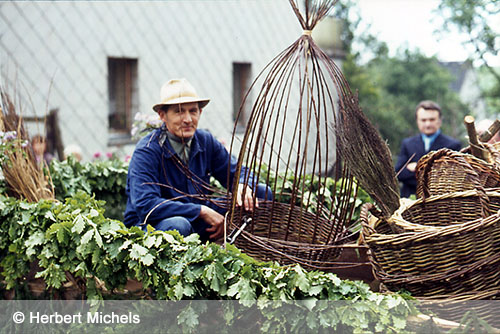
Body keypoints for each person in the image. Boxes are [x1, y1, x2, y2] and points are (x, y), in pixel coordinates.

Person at [124, 78, 271, 242]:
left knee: (261, 193)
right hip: (152, 226)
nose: (188, 119)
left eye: (193, 111)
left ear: (200, 112)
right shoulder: (148, 150)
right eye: (179, 111)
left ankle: (249, 249)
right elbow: (146, 205)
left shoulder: (204, 140)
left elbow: (238, 172)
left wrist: (243, 185)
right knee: (179, 226)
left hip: (197, 219)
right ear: (162, 115)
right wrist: (201, 211)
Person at [395, 100, 461, 198]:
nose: (427, 124)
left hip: (439, 201)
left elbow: (450, 177)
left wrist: (417, 167)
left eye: (432, 119)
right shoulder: (407, 144)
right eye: (423, 120)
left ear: (440, 121)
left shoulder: (452, 145)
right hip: (410, 201)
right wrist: (432, 170)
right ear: (417, 121)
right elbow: (399, 173)